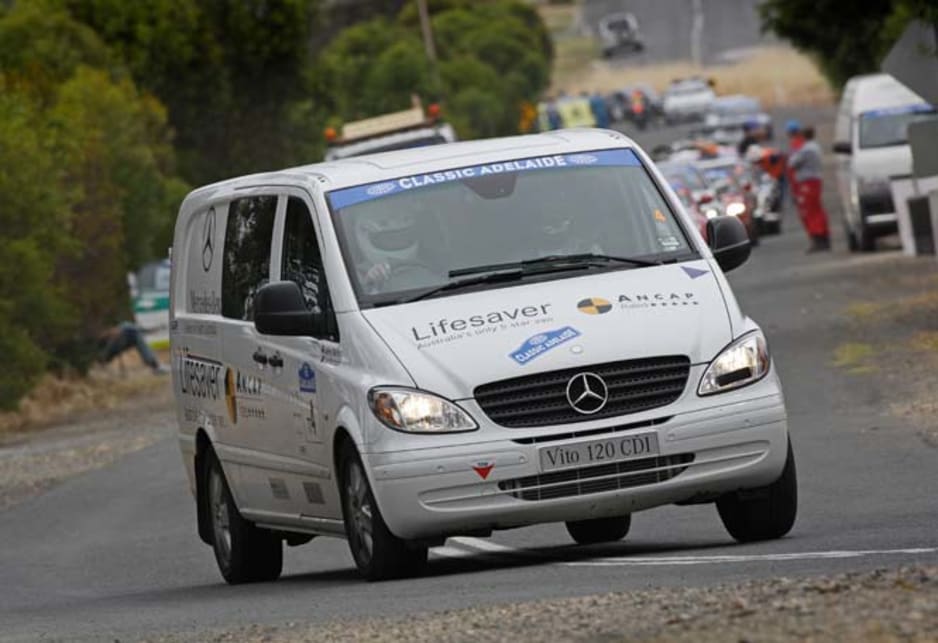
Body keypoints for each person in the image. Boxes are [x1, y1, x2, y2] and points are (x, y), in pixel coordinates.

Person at [353, 206, 443, 294]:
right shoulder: (356, 276)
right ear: (365, 236)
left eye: (404, 236)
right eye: (389, 239)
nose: (398, 241)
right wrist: (372, 284)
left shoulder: (429, 265)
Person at [788, 126, 831, 252]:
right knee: (817, 209)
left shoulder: (806, 149)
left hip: (808, 182)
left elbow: (792, 163)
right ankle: (824, 237)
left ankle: (817, 238)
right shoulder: (815, 146)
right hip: (815, 180)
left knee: (810, 211)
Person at [98, 322, 168, 374]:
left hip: (120, 339)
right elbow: (103, 336)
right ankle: (155, 365)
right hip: (112, 345)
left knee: (132, 331)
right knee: (132, 331)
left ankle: (155, 365)